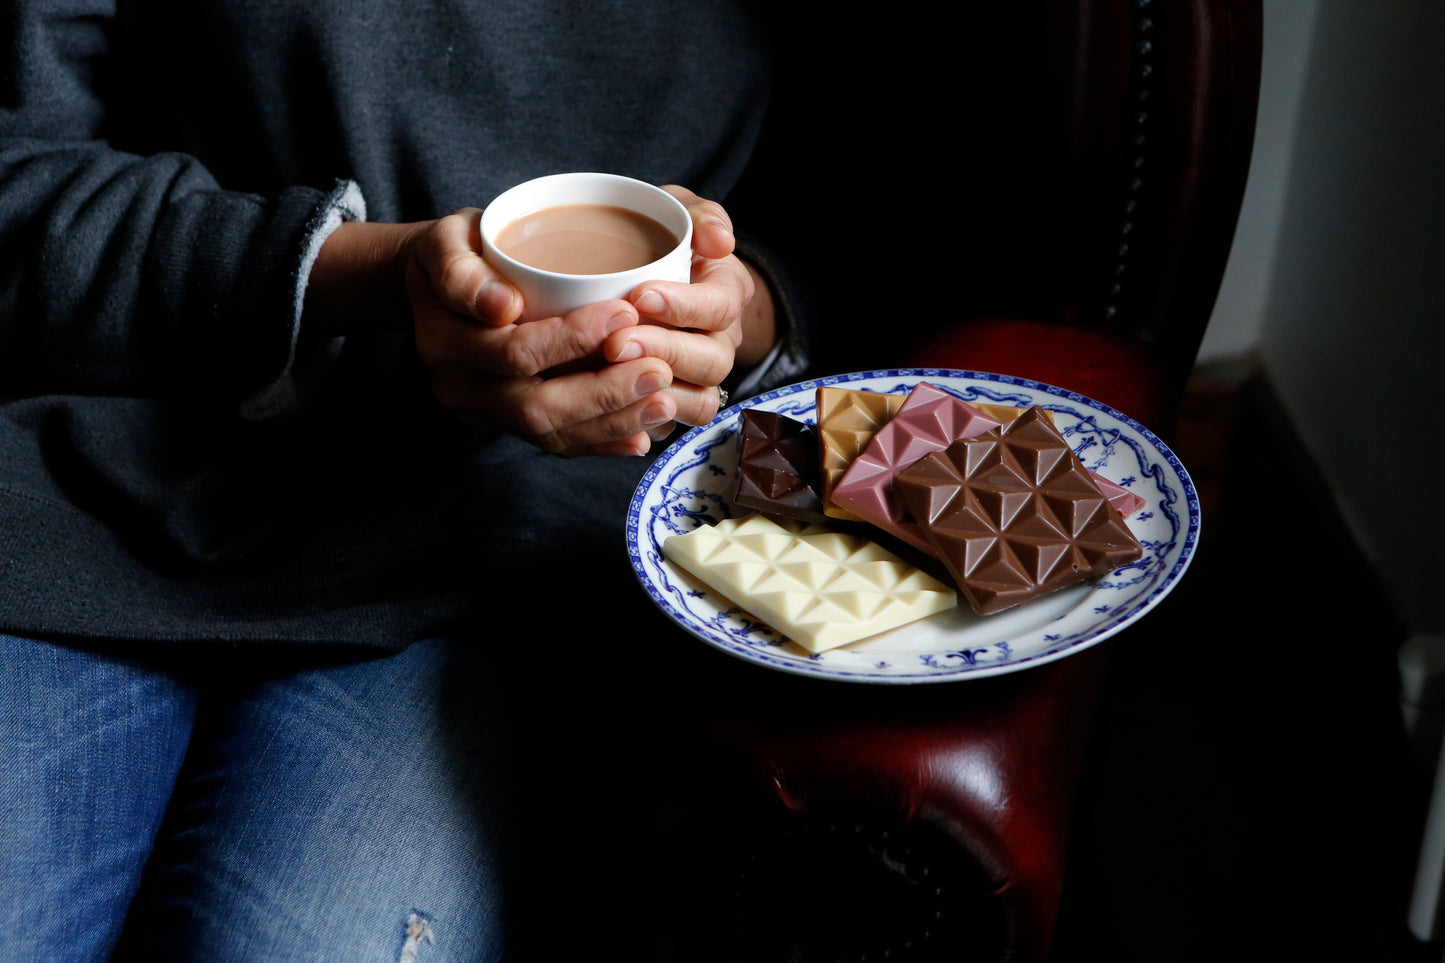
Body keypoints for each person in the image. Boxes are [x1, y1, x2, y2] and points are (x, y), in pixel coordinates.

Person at [0, 0, 812, 959]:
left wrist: (735, 311)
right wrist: (362, 278)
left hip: (503, 556)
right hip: (82, 508)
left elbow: (904, 224)